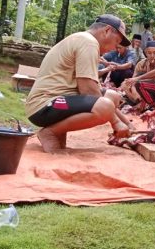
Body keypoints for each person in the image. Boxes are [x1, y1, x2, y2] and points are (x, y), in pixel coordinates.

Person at [26, 14, 133, 153]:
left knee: (113, 97)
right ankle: (50, 133)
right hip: (45, 105)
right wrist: (115, 122)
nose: (115, 47)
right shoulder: (88, 42)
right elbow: (88, 91)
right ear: (106, 31)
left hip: (58, 101)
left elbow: (94, 90)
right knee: (105, 106)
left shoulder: (83, 39)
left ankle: (56, 132)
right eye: (116, 41)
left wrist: (127, 125)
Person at [121, 41, 155, 105]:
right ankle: (139, 102)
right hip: (140, 90)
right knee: (124, 84)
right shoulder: (141, 64)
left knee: (139, 84)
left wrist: (141, 80)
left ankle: (142, 103)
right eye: (149, 53)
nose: (152, 56)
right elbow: (133, 80)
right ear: (145, 53)